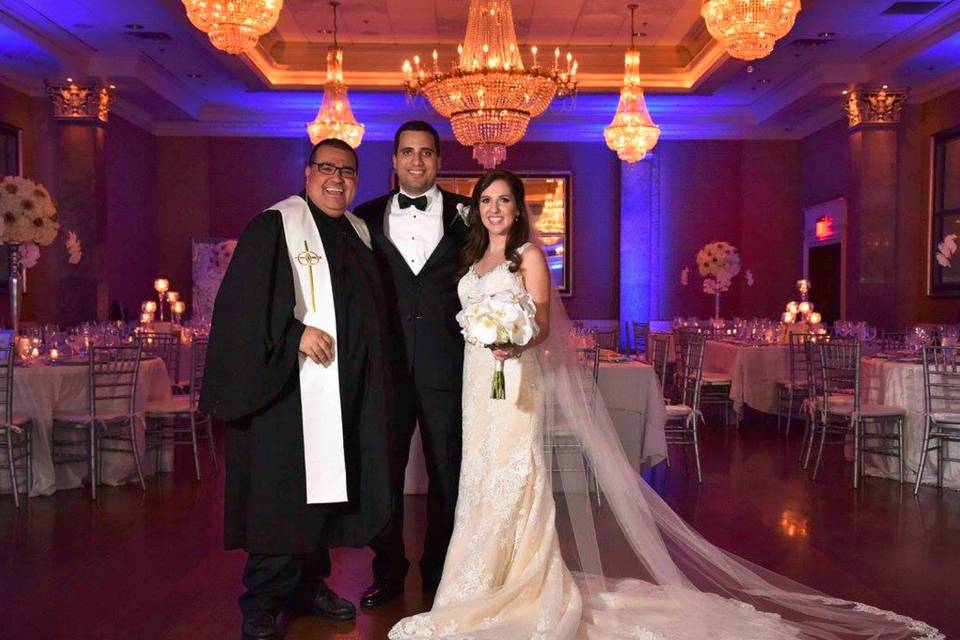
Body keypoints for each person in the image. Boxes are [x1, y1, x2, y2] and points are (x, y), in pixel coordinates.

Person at [389, 169, 941, 639]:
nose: (494, 209)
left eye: (504, 200)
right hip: (475, 384)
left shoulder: (528, 256)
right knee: (477, 479)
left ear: (519, 209)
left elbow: (540, 323)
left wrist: (515, 341)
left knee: (515, 477)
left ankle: (520, 585)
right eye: (485, 201)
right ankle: (475, 582)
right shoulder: (471, 259)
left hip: (515, 385)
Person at [199, 138, 393, 640]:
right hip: (286, 394)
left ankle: (308, 586)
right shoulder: (273, 226)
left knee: (322, 503)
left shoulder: (357, 233)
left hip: (340, 393)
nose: (337, 179)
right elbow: (243, 311)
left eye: (348, 171)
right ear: (307, 173)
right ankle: (261, 602)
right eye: (327, 168)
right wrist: (294, 335)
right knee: (282, 501)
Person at [353, 121, 472, 607]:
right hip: (385, 369)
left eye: (426, 153)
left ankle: (441, 570)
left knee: (449, 474)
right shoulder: (364, 217)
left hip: (449, 367)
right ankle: (388, 570)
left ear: (439, 161)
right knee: (382, 473)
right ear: (394, 160)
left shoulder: (469, 217)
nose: (416, 162)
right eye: (407, 153)